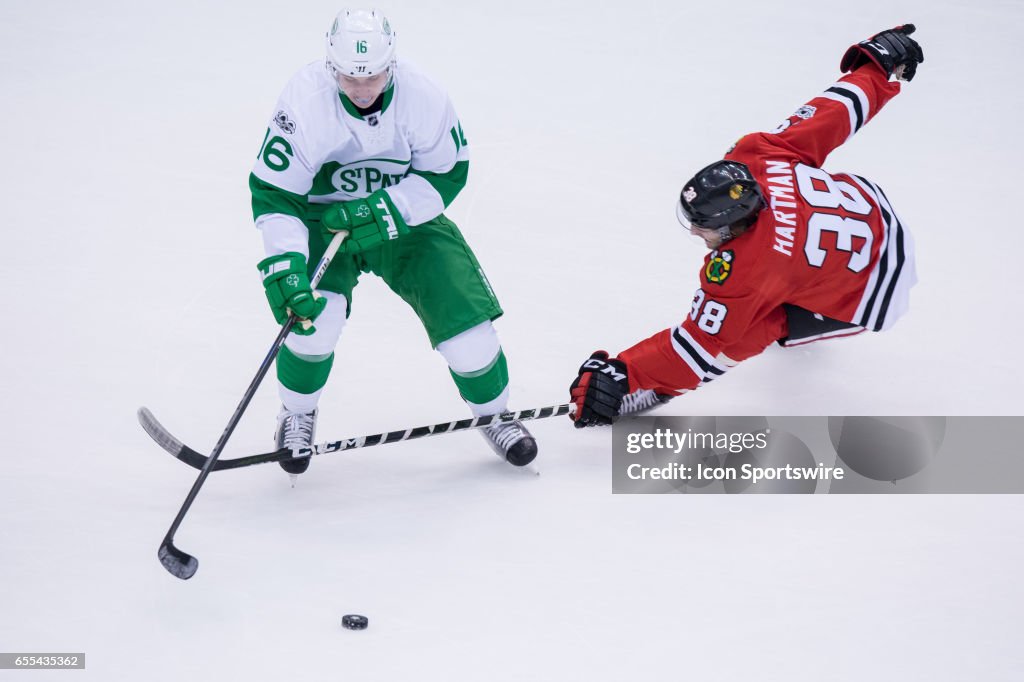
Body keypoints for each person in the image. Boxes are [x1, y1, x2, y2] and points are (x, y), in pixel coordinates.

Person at [569, 25, 925, 427]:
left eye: (703, 229)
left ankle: (658, 386)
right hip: (868, 210)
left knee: (759, 326)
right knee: (750, 310)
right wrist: (877, 66)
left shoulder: (749, 267)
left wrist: (623, 375)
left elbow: (699, 346)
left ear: (734, 224)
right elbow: (835, 111)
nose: (694, 234)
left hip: (876, 287)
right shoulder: (760, 155)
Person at [251, 8, 537, 475]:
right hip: (322, 220)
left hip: (404, 218)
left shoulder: (424, 96)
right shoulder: (303, 101)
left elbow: (447, 172)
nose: (362, 91)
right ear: (330, 66)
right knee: (312, 325)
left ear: (392, 64)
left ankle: (495, 413)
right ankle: (297, 413)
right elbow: (275, 193)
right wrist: (285, 261)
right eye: (348, 78)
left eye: (375, 77)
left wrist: (386, 209)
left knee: (470, 338)